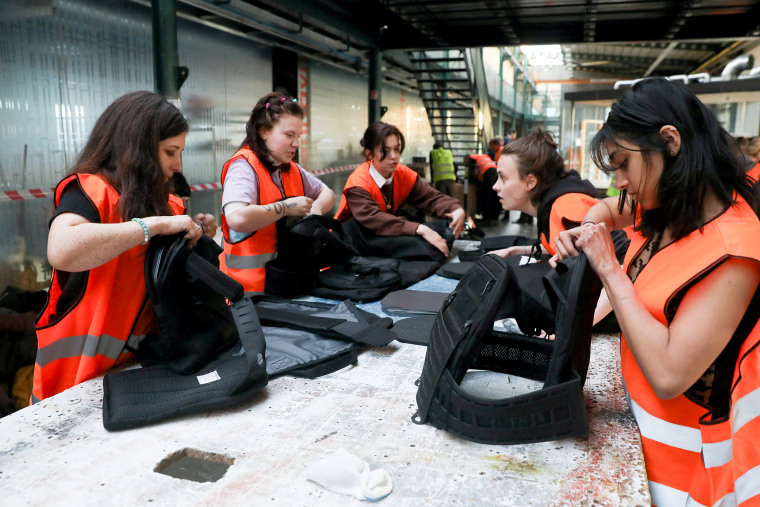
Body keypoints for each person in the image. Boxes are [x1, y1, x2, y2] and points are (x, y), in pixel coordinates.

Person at [552, 78, 760, 506]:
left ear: (670, 141)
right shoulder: (672, 204)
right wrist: (590, 226)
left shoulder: (736, 250)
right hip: (632, 436)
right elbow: (611, 208)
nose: (620, 182)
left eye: (623, 164)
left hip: (678, 476)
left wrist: (608, 268)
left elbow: (668, 374)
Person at [33, 91, 218, 402]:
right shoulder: (92, 191)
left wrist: (198, 235)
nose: (178, 165)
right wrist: (153, 226)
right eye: (170, 152)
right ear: (140, 148)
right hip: (70, 389)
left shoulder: (168, 204)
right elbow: (62, 250)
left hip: (136, 372)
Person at [219, 91, 335, 295]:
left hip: (287, 285)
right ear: (264, 131)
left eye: (298, 136)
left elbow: (328, 194)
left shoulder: (289, 168)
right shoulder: (243, 167)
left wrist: (315, 209)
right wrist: (285, 208)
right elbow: (236, 218)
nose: (296, 143)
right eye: (289, 135)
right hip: (251, 296)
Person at [335, 122, 465, 256]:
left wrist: (455, 209)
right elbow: (374, 219)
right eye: (384, 151)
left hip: (382, 235)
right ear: (369, 154)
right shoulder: (358, 183)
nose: (394, 156)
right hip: (353, 242)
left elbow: (430, 197)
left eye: (396, 149)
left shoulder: (403, 175)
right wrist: (420, 229)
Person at [488, 128, 598, 259]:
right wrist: (513, 250)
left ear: (530, 182)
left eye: (503, 178)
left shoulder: (566, 211)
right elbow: (556, 248)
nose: (495, 186)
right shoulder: (555, 206)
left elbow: (588, 266)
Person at [464, 152, 501, 224]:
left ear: (467, 158)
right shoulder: (481, 156)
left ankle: (487, 218)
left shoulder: (471, 159)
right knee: (494, 194)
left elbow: (473, 173)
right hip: (495, 172)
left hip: (488, 173)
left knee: (487, 196)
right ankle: (495, 215)